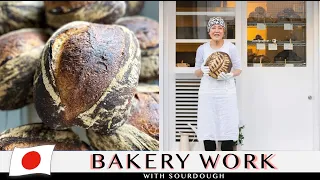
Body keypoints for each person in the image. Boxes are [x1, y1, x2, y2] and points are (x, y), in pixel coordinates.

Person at [194, 17, 242, 151]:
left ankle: (228, 157)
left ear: (224, 31)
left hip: (226, 92)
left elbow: (239, 68)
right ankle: (210, 156)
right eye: (213, 28)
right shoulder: (202, 49)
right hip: (208, 92)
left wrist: (231, 74)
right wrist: (202, 70)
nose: (217, 31)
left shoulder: (231, 47)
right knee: (208, 122)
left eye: (220, 28)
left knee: (228, 121)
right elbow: (196, 72)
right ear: (209, 31)